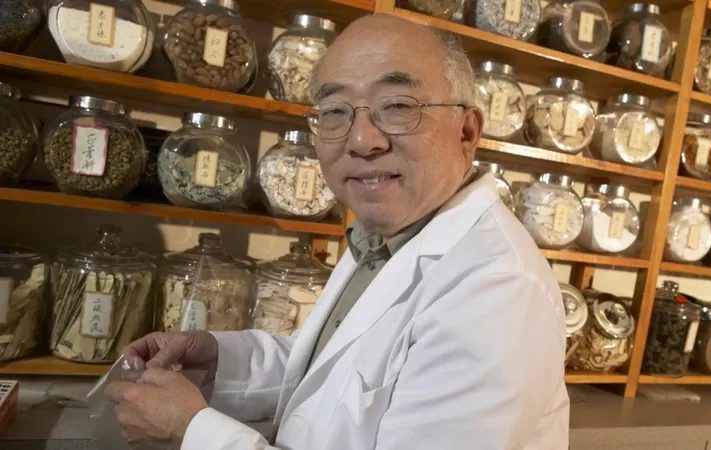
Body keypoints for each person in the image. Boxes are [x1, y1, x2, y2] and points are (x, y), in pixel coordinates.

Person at [107, 14, 568, 450]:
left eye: (397, 106)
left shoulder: (497, 290)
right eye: (334, 110)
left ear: (466, 131)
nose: (362, 140)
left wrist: (192, 433)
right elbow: (340, 369)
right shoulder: (387, 233)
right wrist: (219, 361)